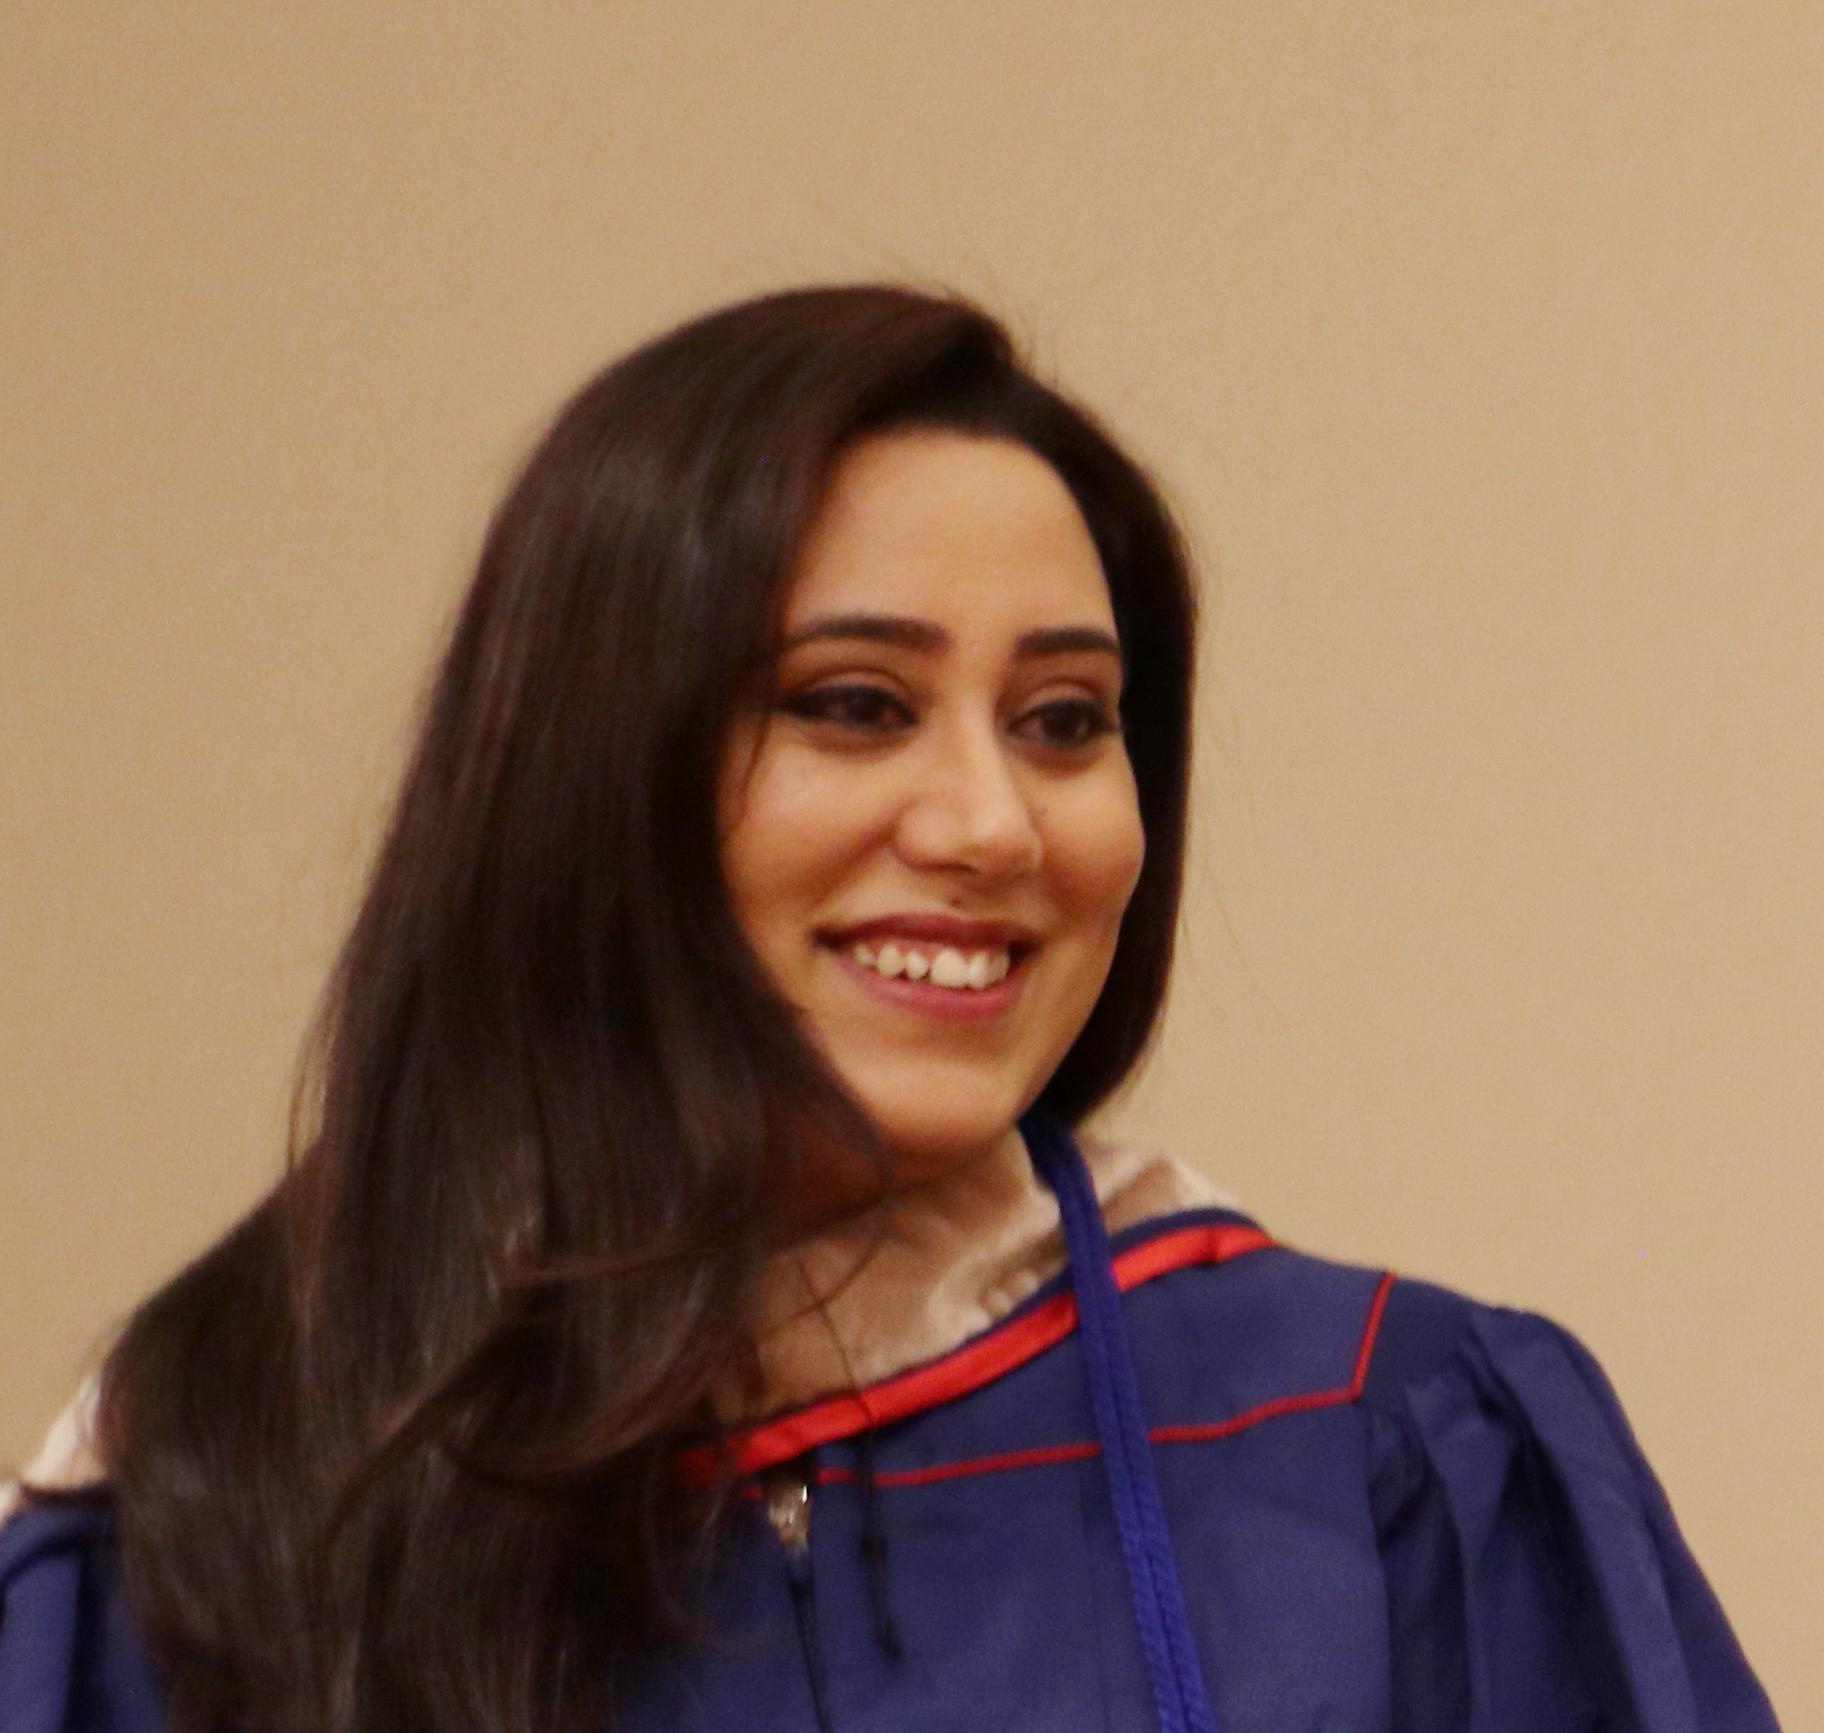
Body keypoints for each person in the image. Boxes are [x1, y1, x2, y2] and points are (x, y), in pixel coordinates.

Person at [0, 285, 1778, 1733]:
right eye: (855, 704)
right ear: (582, 781)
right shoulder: (214, 1501)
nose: (992, 825)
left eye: (1066, 720)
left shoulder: (1376, 1449)